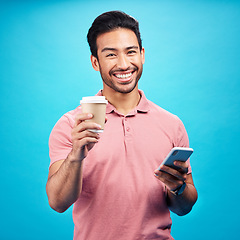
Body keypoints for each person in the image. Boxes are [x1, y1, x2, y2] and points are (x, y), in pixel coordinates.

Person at [46, 10, 198, 240]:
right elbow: (58, 203)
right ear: (95, 62)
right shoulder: (72, 125)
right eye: (111, 55)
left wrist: (178, 188)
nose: (124, 64)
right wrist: (76, 155)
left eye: (131, 52)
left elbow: (183, 208)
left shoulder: (172, 124)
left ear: (143, 54)